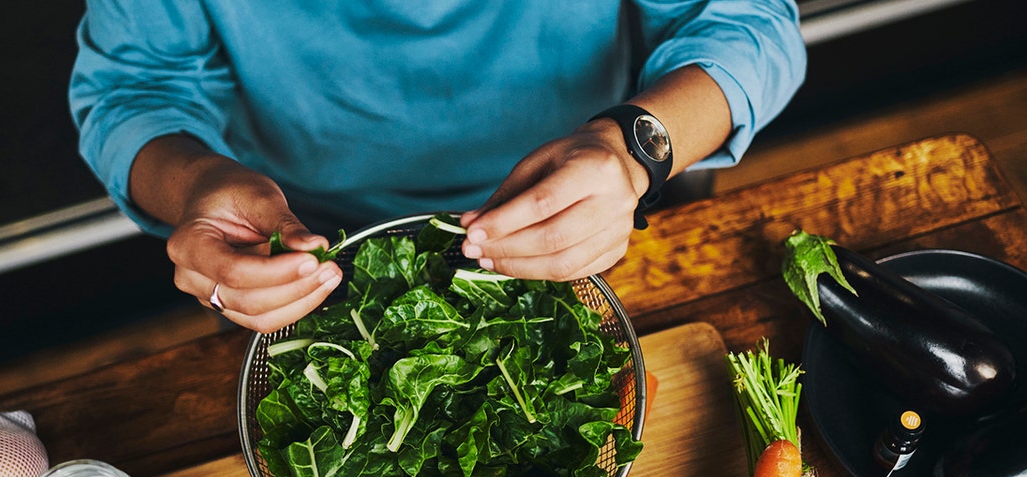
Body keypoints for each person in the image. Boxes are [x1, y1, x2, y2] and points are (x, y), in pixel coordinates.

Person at [70, 1, 806, 333]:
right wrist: (199, 188)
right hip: (307, 242)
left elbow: (744, 23)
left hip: (589, 210)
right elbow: (130, 90)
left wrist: (633, 147)